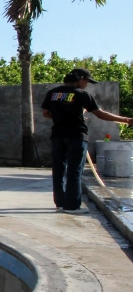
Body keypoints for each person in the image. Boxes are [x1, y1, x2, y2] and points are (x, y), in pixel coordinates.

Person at [41, 67, 133, 214]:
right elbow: (100, 114)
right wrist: (127, 120)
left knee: (58, 170)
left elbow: (46, 114)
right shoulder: (82, 94)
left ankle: (60, 202)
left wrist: (63, 117)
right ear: (80, 79)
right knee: (74, 170)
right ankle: (72, 206)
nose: (87, 84)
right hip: (76, 136)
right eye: (87, 81)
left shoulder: (53, 93)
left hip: (57, 136)